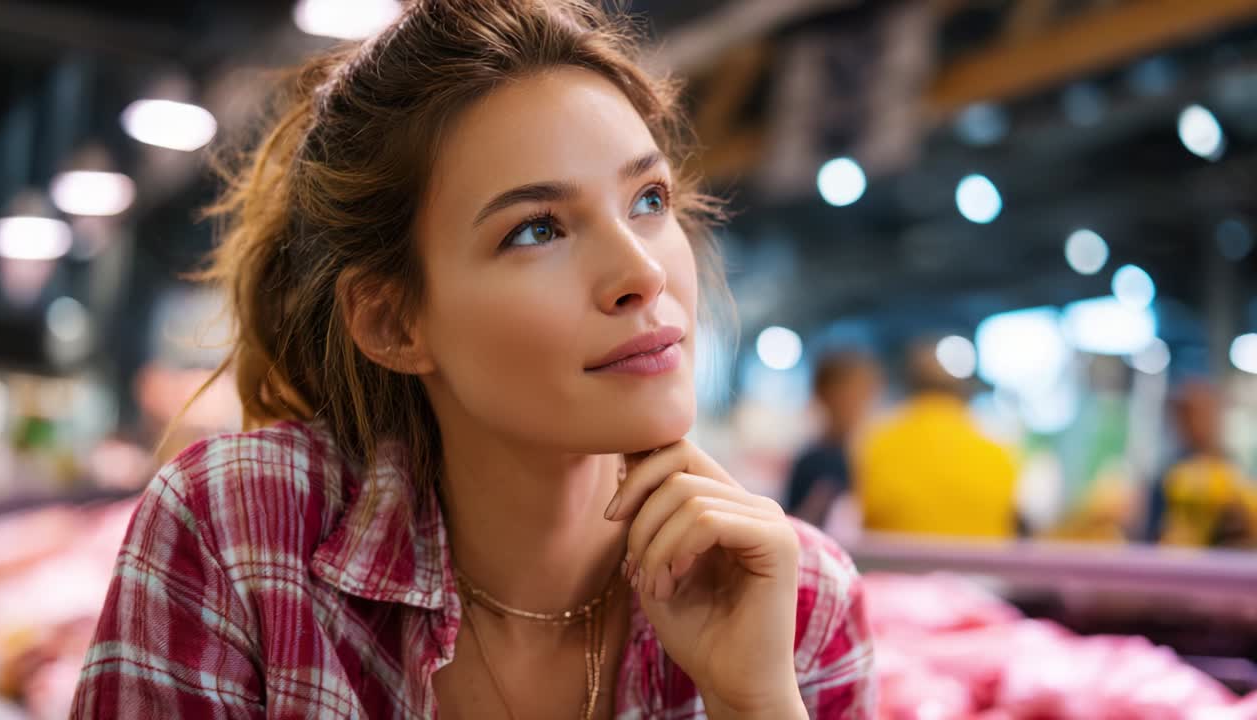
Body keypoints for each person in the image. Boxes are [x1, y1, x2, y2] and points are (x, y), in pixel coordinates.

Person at [69, 2, 874, 718]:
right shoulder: (241, 534)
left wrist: (752, 703)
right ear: (393, 323)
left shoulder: (795, 597)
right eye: (537, 229)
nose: (644, 273)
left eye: (649, 201)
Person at [856, 340, 1017, 538]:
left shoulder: (879, 442)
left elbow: (867, 516)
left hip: (896, 567)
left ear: (909, 385)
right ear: (963, 390)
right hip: (982, 568)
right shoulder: (997, 451)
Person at [1145, 380, 1257, 547]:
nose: (1203, 422)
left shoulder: (1233, 471)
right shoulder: (1169, 476)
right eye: (1193, 415)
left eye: (1209, 413)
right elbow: (1151, 535)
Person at [784, 350, 881, 527]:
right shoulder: (813, 462)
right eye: (846, 395)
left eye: (862, 393)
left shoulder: (876, 455)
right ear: (822, 395)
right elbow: (795, 523)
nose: (854, 403)